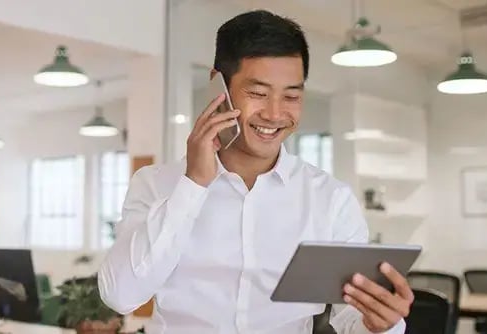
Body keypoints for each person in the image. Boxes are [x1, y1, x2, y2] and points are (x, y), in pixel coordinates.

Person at [98, 10, 413, 334]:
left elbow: (351, 319)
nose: (275, 114)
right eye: (258, 93)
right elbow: (121, 296)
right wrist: (192, 186)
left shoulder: (330, 199)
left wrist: (382, 324)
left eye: (291, 96)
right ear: (217, 86)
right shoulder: (155, 184)